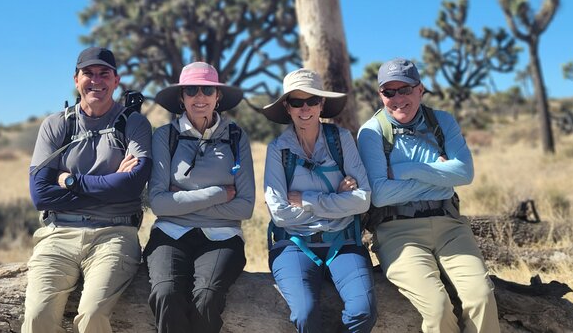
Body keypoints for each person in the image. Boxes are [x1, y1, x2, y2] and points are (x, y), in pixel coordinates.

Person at [357, 58, 499, 333]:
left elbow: (465, 174)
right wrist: (440, 178)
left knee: (481, 296)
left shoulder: (442, 122)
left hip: (450, 226)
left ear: (420, 89)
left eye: (405, 89)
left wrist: (405, 170)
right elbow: (381, 195)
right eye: (389, 92)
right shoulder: (372, 133)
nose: (398, 98)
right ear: (380, 95)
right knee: (437, 307)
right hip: (398, 232)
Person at [23, 47, 152, 333]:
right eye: (88, 74)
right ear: (76, 79)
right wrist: (111, 182)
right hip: (57, 234)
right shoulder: (57, 125)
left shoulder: (134, 124)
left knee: (93, 314)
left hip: (115, 234)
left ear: (116, 80)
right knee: (36, 317)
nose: (96, 80)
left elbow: (132, 186)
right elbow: (40, 194)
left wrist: (70, 180)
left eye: (104, 74)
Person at [262, 68, 377, 333]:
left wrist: (308, 200)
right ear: (287, 107)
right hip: (293, 245)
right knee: (305, 313)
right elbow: (280, 214)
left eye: (312, 101)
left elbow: (362, 200)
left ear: (322, 104)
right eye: (297, 102)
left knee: (363, 311)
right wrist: (337, 200)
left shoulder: (342, 140)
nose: (305, 109)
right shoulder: (277, 150)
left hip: (344, 242)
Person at [145, 61, 255, 333]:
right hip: (170, 233)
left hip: (223, 236)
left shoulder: (236, 137)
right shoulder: (165, 136)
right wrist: (218, 194)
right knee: (166, 294)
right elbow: (157, 202)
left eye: (207, 89)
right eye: (191, 90)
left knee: (206, 297)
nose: (200, 97)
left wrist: (180, 202)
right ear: (181, 98)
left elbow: (245, 207)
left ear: (218, 97)